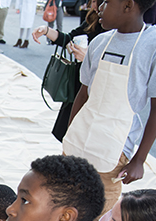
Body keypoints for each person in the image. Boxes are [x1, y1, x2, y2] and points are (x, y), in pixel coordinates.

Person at [63, 0, 156, 221]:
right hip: (80, 138)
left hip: (115, 147)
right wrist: (70, 130)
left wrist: (139, 159)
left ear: (128, 6)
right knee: (66, 210)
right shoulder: (100, 41)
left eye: (106, 2)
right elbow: (83, 93)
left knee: (101, 218)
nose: (99, 8)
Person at [33, 0, 106, 142]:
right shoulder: (94, 19)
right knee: (69, 134)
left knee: (85, 137)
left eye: (102, 2)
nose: (96, 7)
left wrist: (88, 59)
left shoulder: (117, 31)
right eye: (94, 2)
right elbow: (69, 38)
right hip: (78, 85)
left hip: (96, 90)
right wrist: (46, 30)